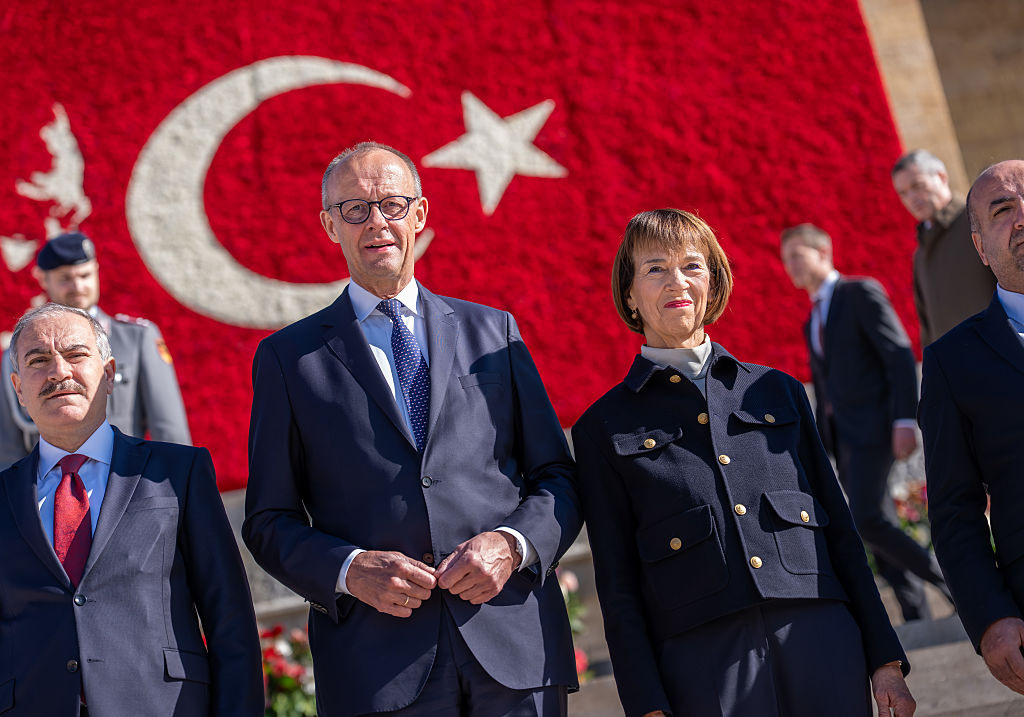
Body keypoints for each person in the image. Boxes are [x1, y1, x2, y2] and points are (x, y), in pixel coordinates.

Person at [242, 142, 581, 717]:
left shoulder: (493, 332)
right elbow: (268, 522)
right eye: (355, 209)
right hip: (379, 668)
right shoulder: (288, 360)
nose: (377, 222)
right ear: (330, 226)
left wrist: (512, 544)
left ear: (419, 216)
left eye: (393, 205)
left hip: (513, 647)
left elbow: (557, 477)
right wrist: (349, 571)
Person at [573, 209, 914, 717]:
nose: (677, 281)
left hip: (821, 637)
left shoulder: (776, 390)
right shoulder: (602, 426)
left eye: (693, 265)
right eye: (655, 269)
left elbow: (840, 531)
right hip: (704, 660)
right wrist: (646, 704)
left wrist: (885, 660)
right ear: (629, 295)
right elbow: (617, 584)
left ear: (712, 281)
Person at [0, 303, 262, 716]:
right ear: (18, 388)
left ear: (108, 374)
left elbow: (228, 618)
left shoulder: (178, 473)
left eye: (75, 355)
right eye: (38, 360)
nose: (58, 372)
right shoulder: (3, 496)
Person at [779, 223, 950, 622]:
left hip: (877, 429)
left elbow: (897, 354)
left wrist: (906, 419)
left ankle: (952, 582)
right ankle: (916, 615)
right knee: (875, 525)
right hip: (844, 440)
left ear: (823, 252)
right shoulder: (812, 319)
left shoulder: (859, 292)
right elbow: (824, 391)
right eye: (786, 259)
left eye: (795, 255)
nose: (789, 266)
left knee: (867, 518)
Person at [919, 159, 1024, 695]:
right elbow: (955, 511)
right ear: (981, 250)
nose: (1023, 217)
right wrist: (989, 618)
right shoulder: (951, 364)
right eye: (1003, 210)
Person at [0, 231, 191, 469]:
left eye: (85, 275)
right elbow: (9, 448)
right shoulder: (20, 352)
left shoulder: (136, 339)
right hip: (49, 490)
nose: (78, 286)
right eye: (65, 278)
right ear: (42, 279)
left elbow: (169, 429)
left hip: (126, 484)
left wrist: (177, 492)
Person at [891, 149, 996, 347]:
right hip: (958, 374)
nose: (912, 198)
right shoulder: (920, 254)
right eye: (903, 193)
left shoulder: (978, 222)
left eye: (918, 186)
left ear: (941, 177)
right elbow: (928, 329)